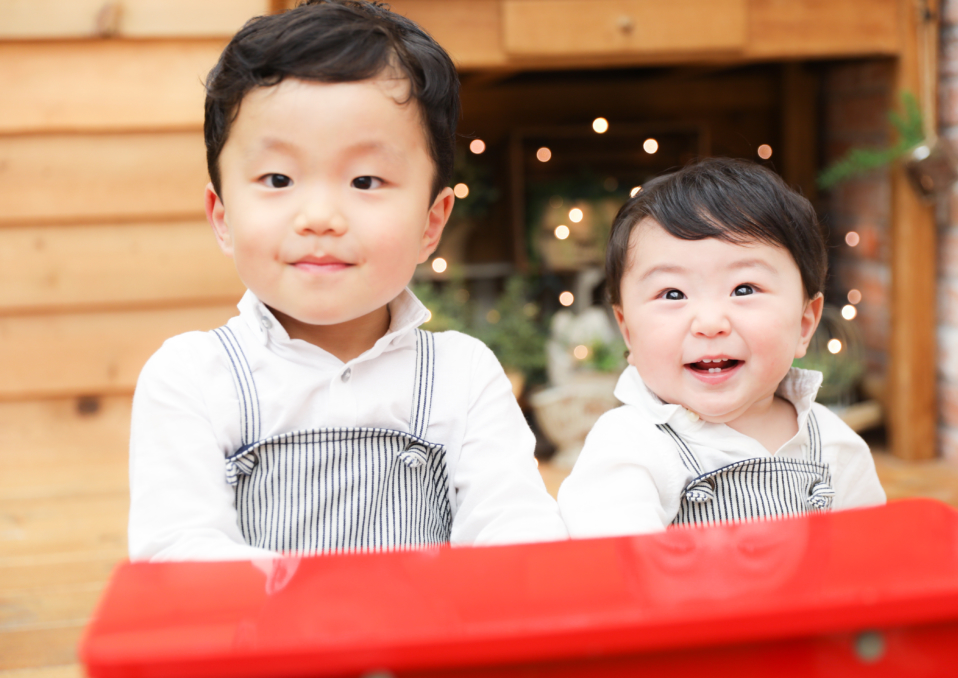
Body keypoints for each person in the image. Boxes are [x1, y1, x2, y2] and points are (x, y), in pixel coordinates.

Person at [128, 0, 566, 560]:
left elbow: (517, 529)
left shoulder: (462, 376)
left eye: (365, 180)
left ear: (431, 223)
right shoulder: (191, 379)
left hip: (432, 621)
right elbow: (179, 553)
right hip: (260, 623)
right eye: (278, 178)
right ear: (223, 217)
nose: (320, 217)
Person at [558, 158, 885, 537]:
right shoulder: (629, 445)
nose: (710, 322)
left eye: (744, 289)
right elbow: (614, 559)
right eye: (673, 294)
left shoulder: (835, 447)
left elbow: (870, 556)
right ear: (628, 332)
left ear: (804, 324)